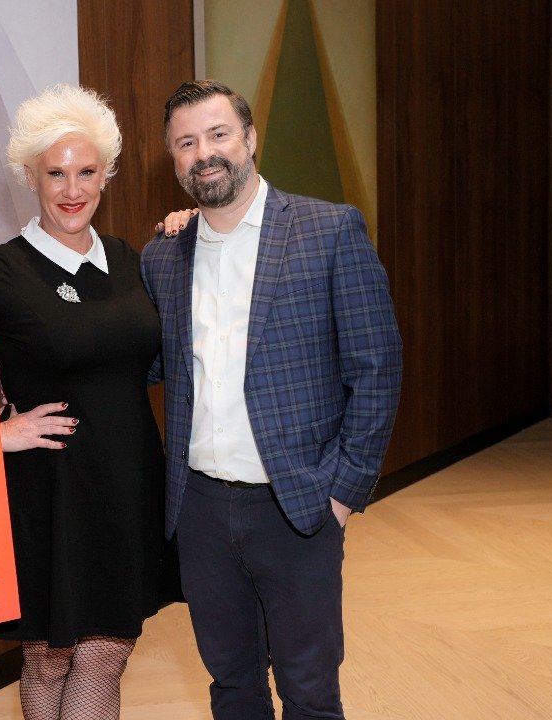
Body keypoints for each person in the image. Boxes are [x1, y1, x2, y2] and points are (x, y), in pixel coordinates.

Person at [142, 80, 403, 719]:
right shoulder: (161, 258)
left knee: (309, 693)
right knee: (232, 687)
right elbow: (143, 364)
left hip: (298, 506)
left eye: (217, 134)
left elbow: (377, 366)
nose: (204, 153)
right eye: (186, 142)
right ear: (173, 159)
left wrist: (342, 492)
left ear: (251, 139)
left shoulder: (329, 230)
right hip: (200, 511)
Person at [0, 84, 167, 720]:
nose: (72, 189)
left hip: (127, 479)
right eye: (55, 173)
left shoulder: (129, 259)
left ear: (106, 174)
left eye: (86, 171)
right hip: (46, 488)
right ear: (28, 175)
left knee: (105, 652)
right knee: (50, 656)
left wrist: (192, 231)